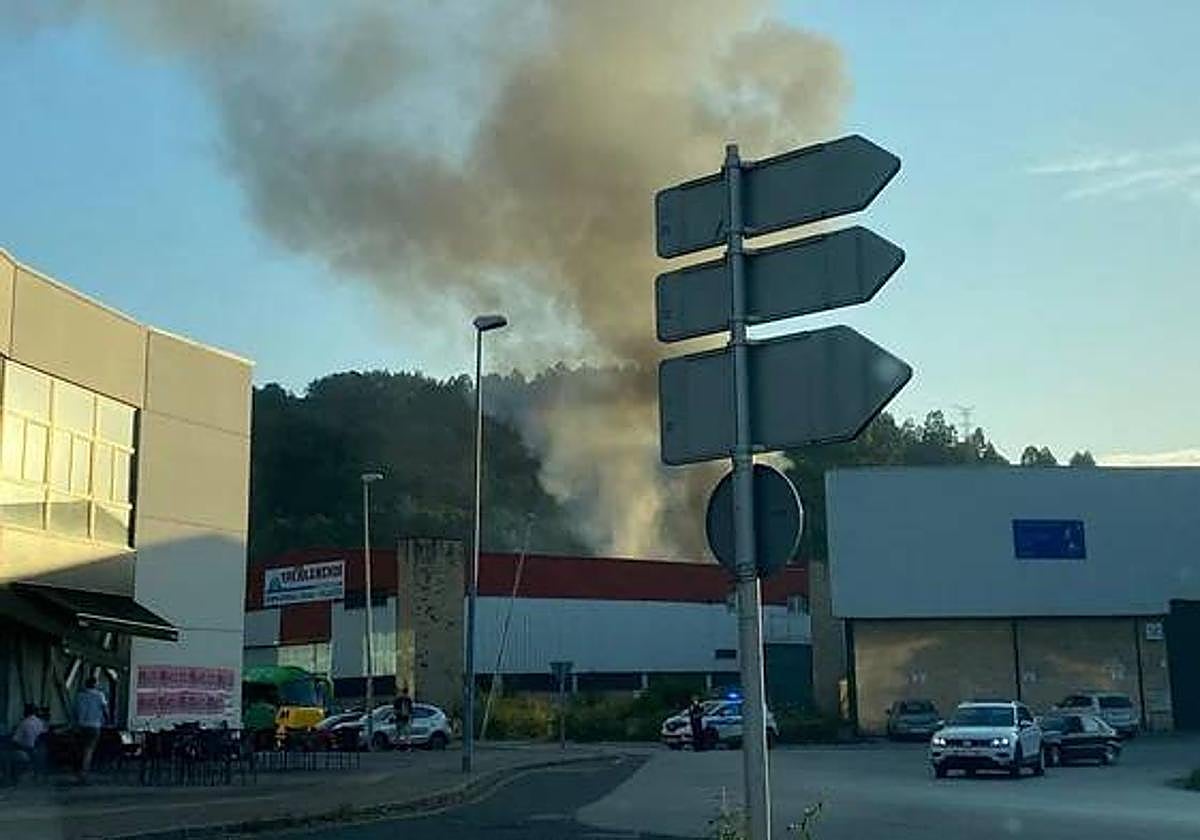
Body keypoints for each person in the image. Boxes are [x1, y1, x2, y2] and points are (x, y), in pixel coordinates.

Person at [73, 676, 108, 782]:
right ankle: (84, 772)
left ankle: (78, 771)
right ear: (95, 684)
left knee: (81, 748)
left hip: (81, 725)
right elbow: (104, 709)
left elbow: (75, 711)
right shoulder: (100, 695)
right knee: (89, 750)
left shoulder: (79, 696)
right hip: (94, 725)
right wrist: (107, 720)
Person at [12, 703, 47, 778]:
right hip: (39, 750)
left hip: (28, 750)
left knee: (9, 755)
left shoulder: (24, 723)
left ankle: (13, 777)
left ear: (25, 712)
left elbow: (15, 739)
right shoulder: (40, 722)